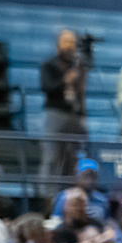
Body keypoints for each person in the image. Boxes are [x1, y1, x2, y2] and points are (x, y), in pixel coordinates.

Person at [40, 30, 88, 178]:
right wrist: (65, 80)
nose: (70, 46)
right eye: (66, 42)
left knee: (76, 157)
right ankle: (46, 196)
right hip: (55, 113)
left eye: (72, 42)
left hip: (75, 115)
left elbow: (81, 93)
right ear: (58, 44)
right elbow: (46, 87)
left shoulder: (79, 66)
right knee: (51, 156)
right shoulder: (48, 64)